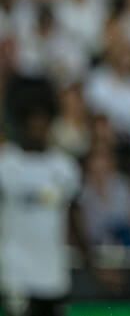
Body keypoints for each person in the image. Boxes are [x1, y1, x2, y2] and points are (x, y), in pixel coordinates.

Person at [0, 108, 95, 316]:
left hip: (53, 273)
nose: (38, 131)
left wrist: (89, 257)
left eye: (43, 125)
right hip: (16, 272)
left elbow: (74, 216)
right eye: (32, 126)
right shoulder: (7, 162)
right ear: (22, 128)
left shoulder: (63, 166)